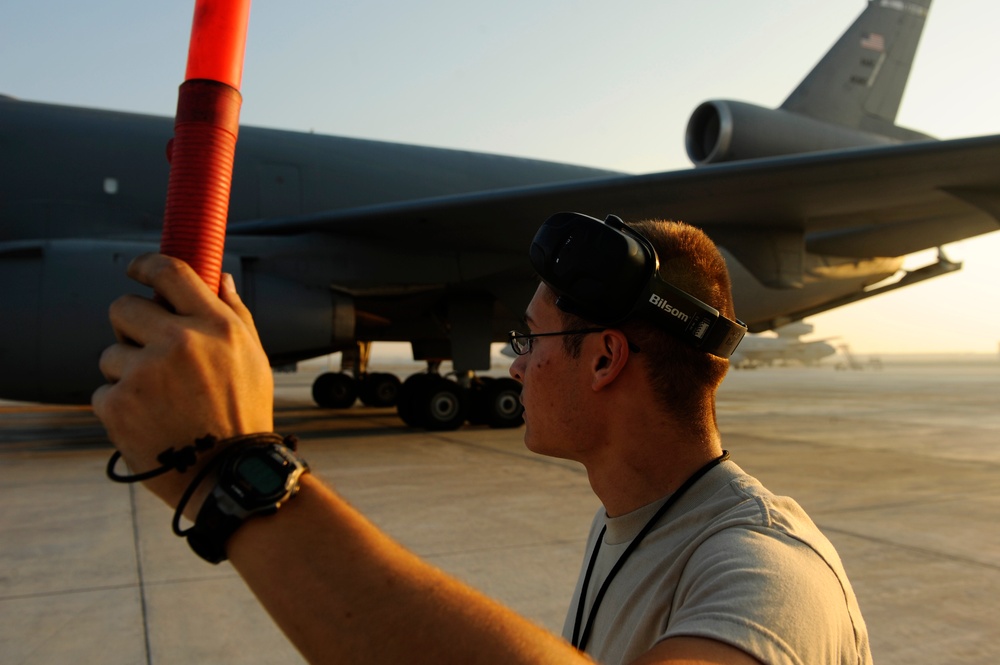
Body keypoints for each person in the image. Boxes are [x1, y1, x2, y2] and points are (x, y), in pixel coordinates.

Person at [92, 213, 872, 665]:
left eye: (528, 339)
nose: (514, 363)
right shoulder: (634, 519)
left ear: (604, 358)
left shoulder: (768, 570)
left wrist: (242, 475)